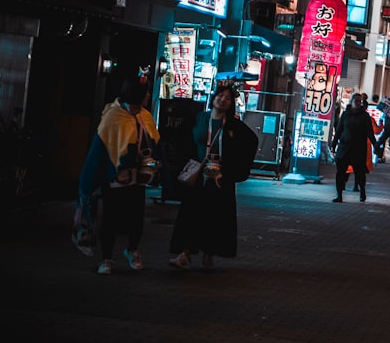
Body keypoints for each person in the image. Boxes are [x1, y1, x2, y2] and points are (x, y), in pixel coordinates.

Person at [168, 82, 258, 271]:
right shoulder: (200, 118)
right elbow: (182, 139)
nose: (223, 99)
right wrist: (186, 161)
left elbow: (251, 141)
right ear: (213, 98)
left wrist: (233, 169)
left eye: (227, 98)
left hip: (220, 178)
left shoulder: (233, 125)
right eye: (220, 96)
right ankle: (185, 253)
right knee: (190, 213)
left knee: (216, 216)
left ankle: (209, 253)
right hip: (198, 176)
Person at [78, 73, 160, 275]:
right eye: (145, 92)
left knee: (136, 218)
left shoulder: (145, 116)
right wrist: (89, 182)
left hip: (138, 178)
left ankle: (132, 249)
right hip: (114, 178)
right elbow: (98, 151)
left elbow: (155, 142)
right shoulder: (113, 116)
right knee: (111, 219)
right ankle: (107, 258)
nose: (148, 95)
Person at [330, 92, 378, 203]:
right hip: (345, 147)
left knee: (360, 172)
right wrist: (334, 143)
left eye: (360, 101)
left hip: (358, 148)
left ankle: (362, 191)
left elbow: (369, 132)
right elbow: (339, 130)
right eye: (356, 101)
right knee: (340, 172)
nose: (358, 103)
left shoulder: (365, 116)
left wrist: (375, 145)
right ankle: (339, 194)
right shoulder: (346, 114)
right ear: (351, 102)